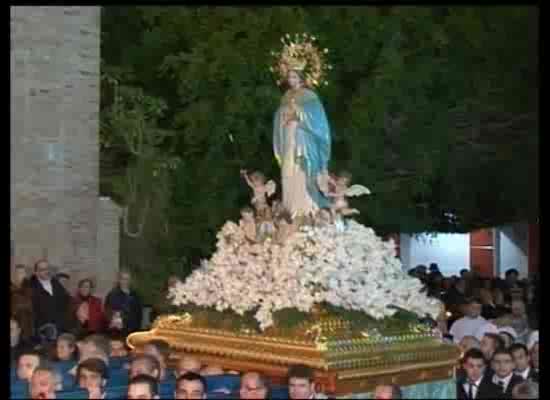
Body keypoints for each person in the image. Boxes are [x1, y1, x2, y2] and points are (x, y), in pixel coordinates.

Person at [272, 35, 332, 218]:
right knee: (289, 177)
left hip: (305, 143)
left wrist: (298, 113)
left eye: (294, 76)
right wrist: (282, 115)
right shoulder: (285, 97)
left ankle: (308, 213)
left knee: (304, 176)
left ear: (301, 77)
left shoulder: (310, 97)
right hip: (289, 142)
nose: (291, 79)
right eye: (289, 76)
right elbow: (279, 119)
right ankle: (290, 213)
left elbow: (319, 122)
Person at [29, 259, 72, 336]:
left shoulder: (56, 284)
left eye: (48, 268)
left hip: (60, 327)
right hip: (42, 330)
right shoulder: (31, 288)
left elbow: (66, 303)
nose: (47, 271)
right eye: (43, 269)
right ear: (36, 272)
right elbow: (32, 312)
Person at [11, 264, 35, 340]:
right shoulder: (12, 286)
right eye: (17, 273)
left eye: (21, 273)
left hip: (25, 322)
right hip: (12, 321)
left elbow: (29, 305)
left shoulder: (29, 287)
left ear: (25, 274)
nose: (19, 275)